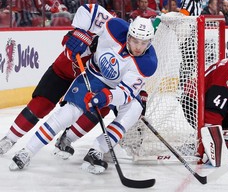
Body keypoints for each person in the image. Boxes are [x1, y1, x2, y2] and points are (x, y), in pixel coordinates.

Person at [9, 16, 158, 172]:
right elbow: (90, 18)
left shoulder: (147, 63)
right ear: (128, 34)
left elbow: (124, 93)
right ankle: (27, 151)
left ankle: (97, 150)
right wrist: (78, 35)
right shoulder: (114, 27)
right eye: (135, 41)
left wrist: (106, 97)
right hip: (93, 76)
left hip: (115, 89)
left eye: (144, 43)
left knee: (134, 109)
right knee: (68, 113)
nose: (138, 47)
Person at [0, 3, 113, 155]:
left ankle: (67, 138)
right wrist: (79, 34)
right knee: (41, 104)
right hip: (63, 71)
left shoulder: (121, 50)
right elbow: (88, 10)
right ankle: (10, 138)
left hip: (88, 80)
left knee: (97, 108)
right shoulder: (106, 26)